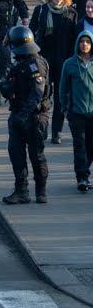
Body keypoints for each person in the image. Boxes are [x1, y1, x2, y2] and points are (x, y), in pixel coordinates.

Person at [0, 26, 51, 205]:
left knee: (36, 155)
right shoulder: (21, 62)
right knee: (16, 153)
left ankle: (41, 191)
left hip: (34, 116)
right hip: (19, 113)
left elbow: (38, 92)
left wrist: (23, 115)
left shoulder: (35, 63)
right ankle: (21, 191)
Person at [30, 0, 77, 146]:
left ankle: (56, 132)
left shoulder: (71, 13)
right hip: (44, 61)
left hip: (63, 62)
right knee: (43, 95)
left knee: (60, 98)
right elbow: (31, 33)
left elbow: (74, 40)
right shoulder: (41, 10)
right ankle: (41, 127)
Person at [61, 31, 93, 193]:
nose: (85, 44)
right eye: (82, 41)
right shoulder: (70, 64)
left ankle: (85, 172)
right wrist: (64, 108)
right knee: (79, 145)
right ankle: (82, 177)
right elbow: (63, 88)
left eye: (88, 41)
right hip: (77, 112)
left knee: (90, 147)